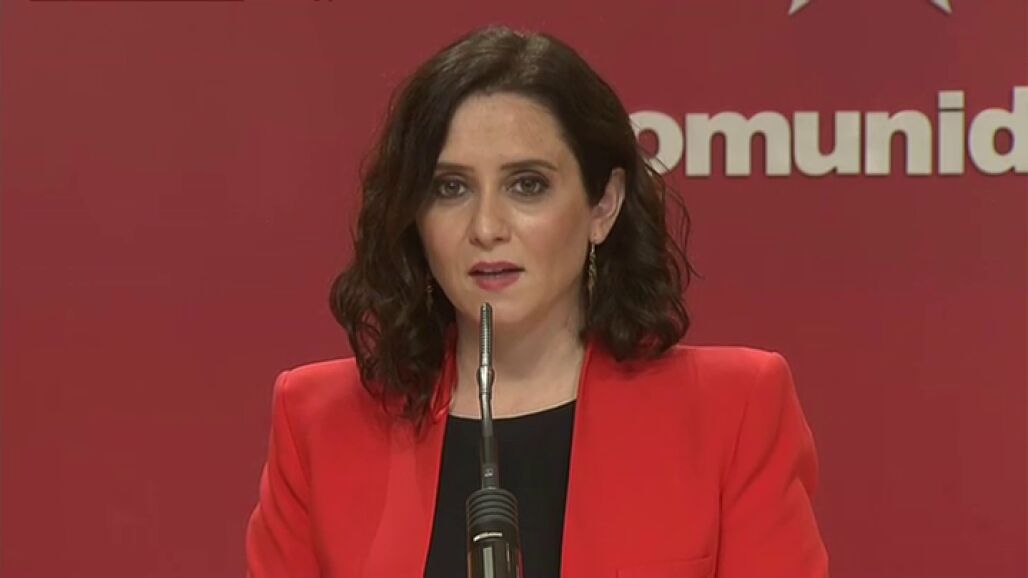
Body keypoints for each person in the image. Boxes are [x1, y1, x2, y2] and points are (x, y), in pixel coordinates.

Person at [245, 26, 828, 578]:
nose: (486, 227)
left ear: (603, 205)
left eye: (527, 185)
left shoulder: (734, 411)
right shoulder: (318, 422)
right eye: (451, 188)